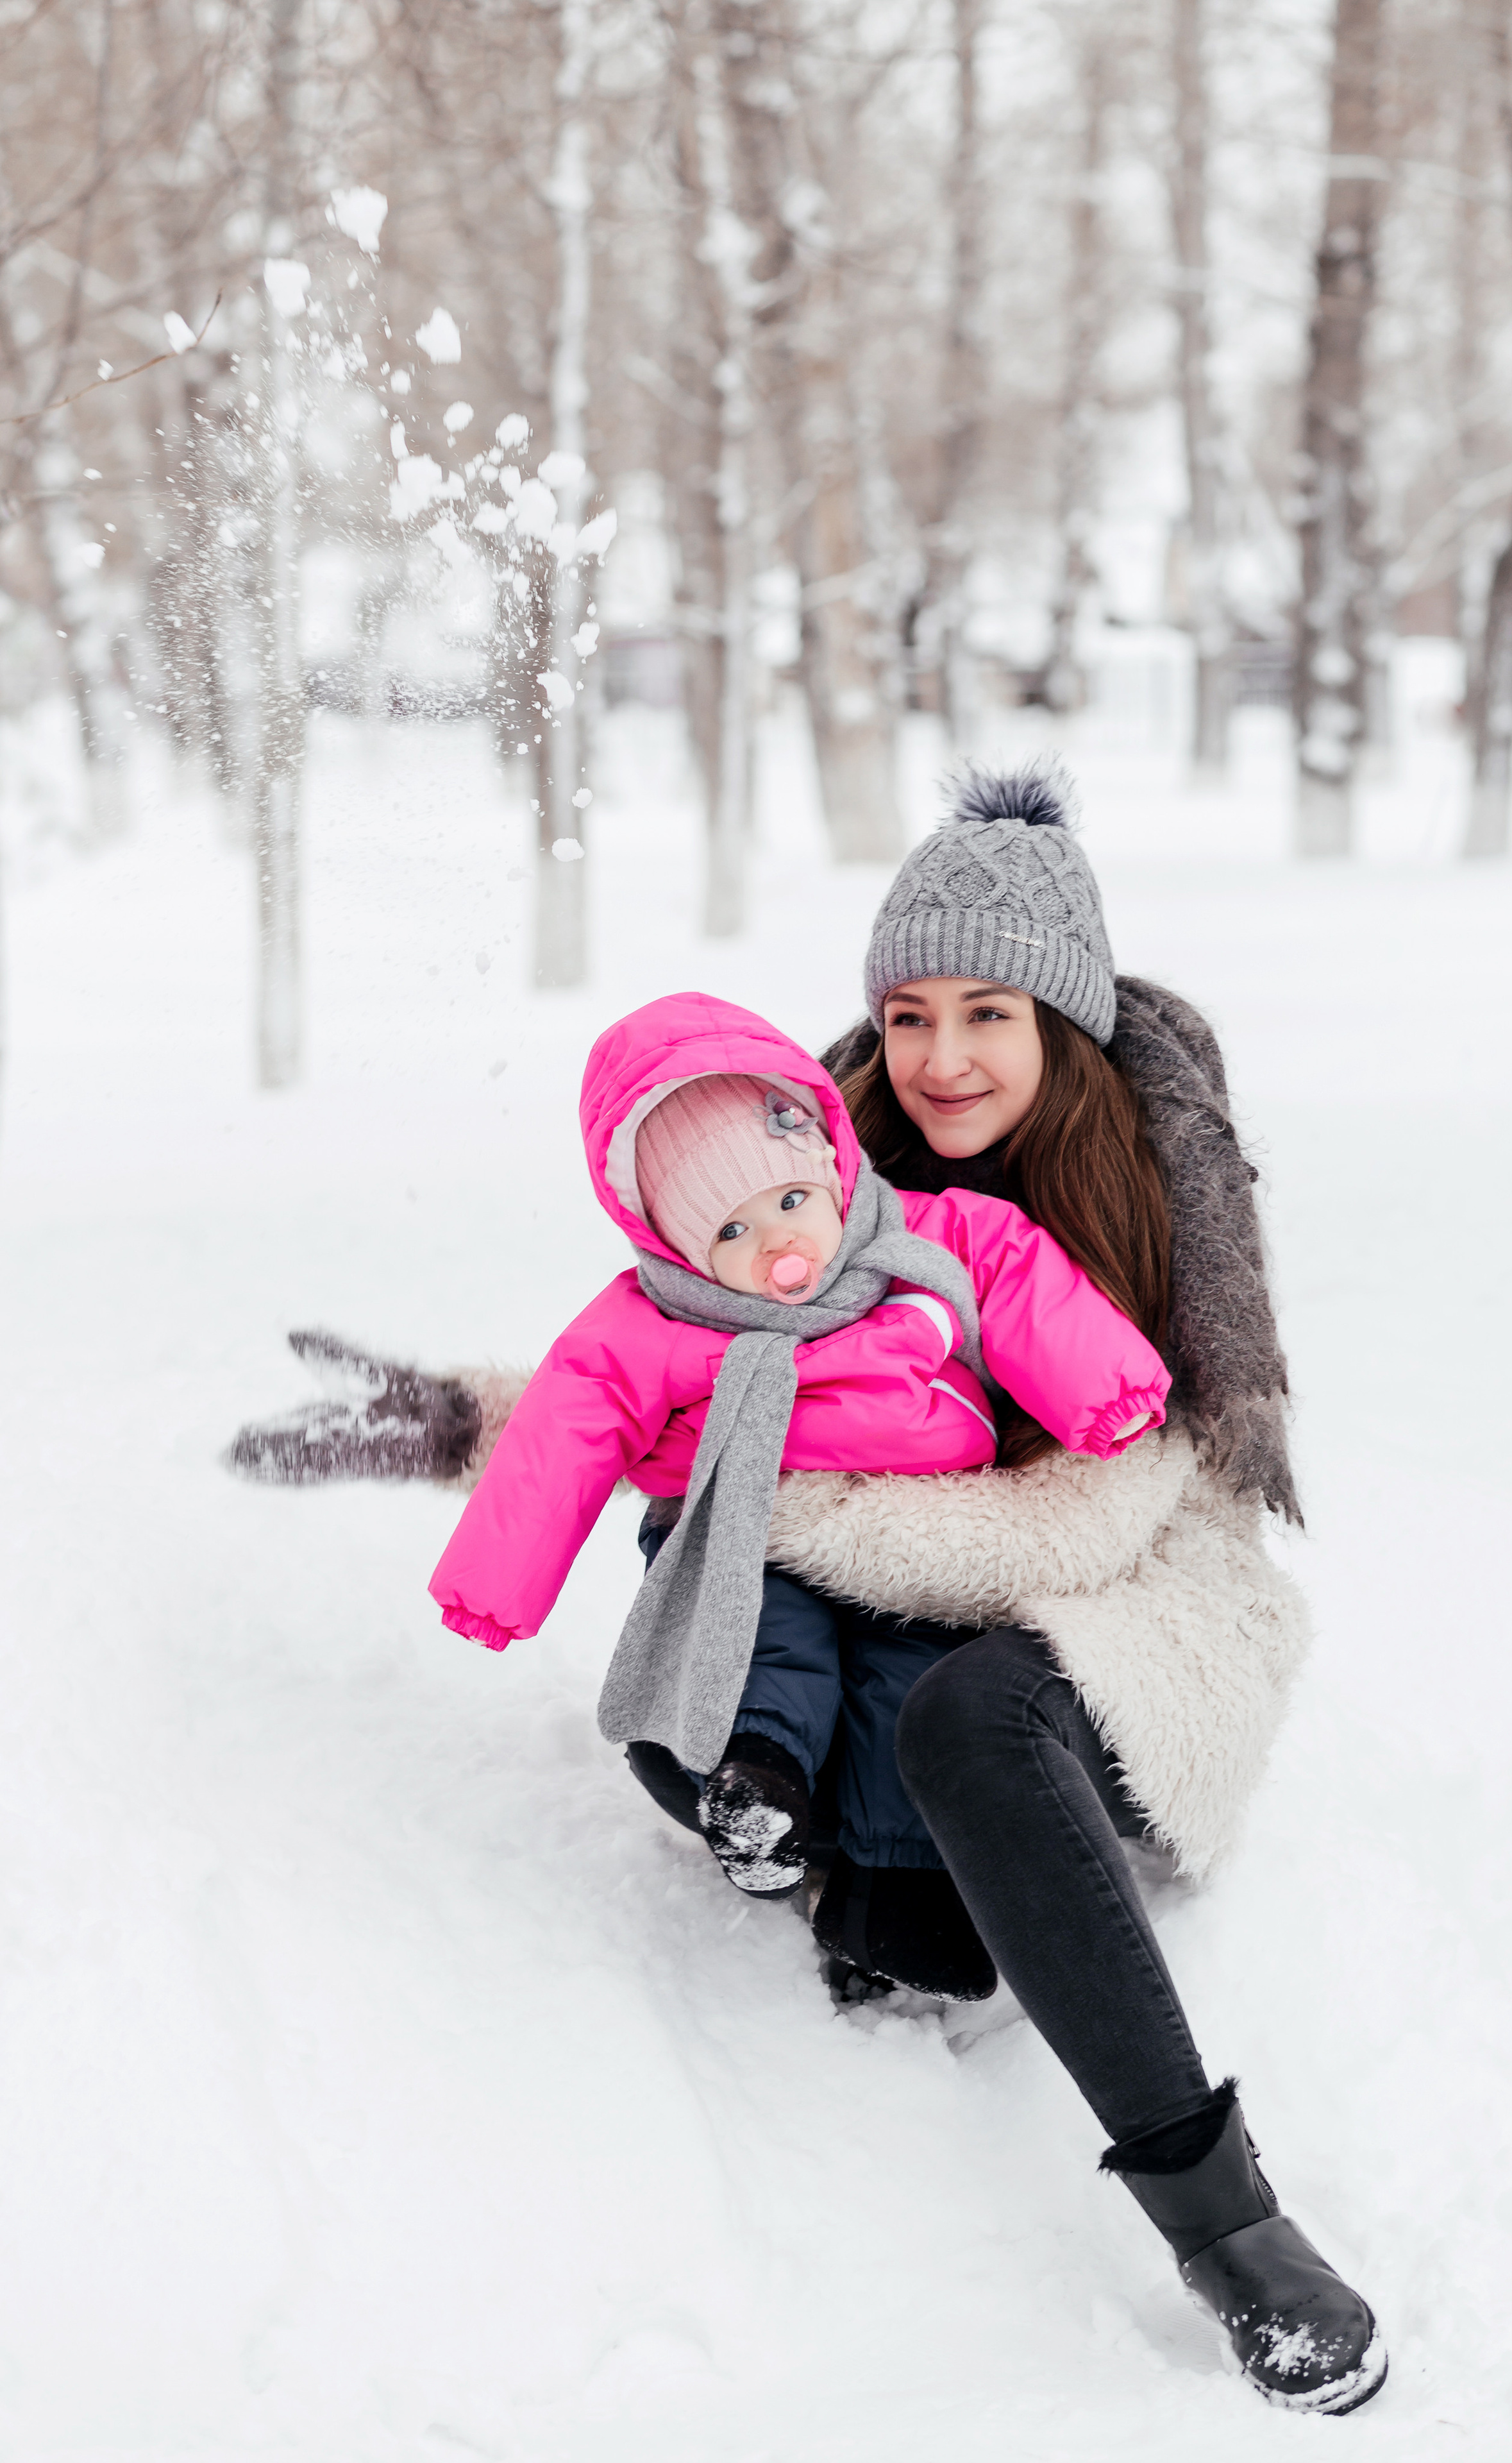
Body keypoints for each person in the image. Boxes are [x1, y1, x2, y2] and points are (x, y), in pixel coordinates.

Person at [228, 762, 1388, 2416]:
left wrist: (840, 1524)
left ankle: (1226, 2226)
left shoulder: (1149, 1175)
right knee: (715, 1594)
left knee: (970, 1715)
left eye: (986, 1011)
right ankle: (836, 1846)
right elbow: (671, 1359)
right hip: (865, 1557)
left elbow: (1131, 1477)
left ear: (1057, 1017)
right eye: (907, 1012)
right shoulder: (813, 1131)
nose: (940, 1057)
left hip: (1123, 1561)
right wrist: (468, 1424)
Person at [428, 994, 1169, 1935]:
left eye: (789, 1204)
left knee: (909, 1672)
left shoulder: (919, 1235)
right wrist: (496, 1584)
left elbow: (1018, 1274)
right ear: (678, 1247)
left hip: (918, 1524)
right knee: (760, 1635)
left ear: (829, 1163)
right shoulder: (656, 1314)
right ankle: (760, 1781)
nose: (780, 1244)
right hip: (758, 1524)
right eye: (733, 1233)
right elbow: (569, 1418)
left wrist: (1105, 1393)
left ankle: (896, 1902)